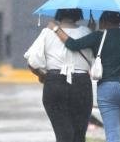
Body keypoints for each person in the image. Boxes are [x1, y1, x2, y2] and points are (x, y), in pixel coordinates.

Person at [49, 11, 120, 142]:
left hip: (110, 88)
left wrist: (55, 28)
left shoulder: (98, 36)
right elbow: (112, 43)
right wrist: (91, 30)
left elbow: (72, 45)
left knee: (113, 133)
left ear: (104, 22)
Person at [28, 8, 94, 142]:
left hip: (54, 82)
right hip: (81, 83)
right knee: (79, 133)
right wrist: (91, 31)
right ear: (78, 15)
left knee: (62, 133)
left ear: (58, 14)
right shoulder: (87, 32)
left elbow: (33, 62)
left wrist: (43, 76)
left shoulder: (47, 33)